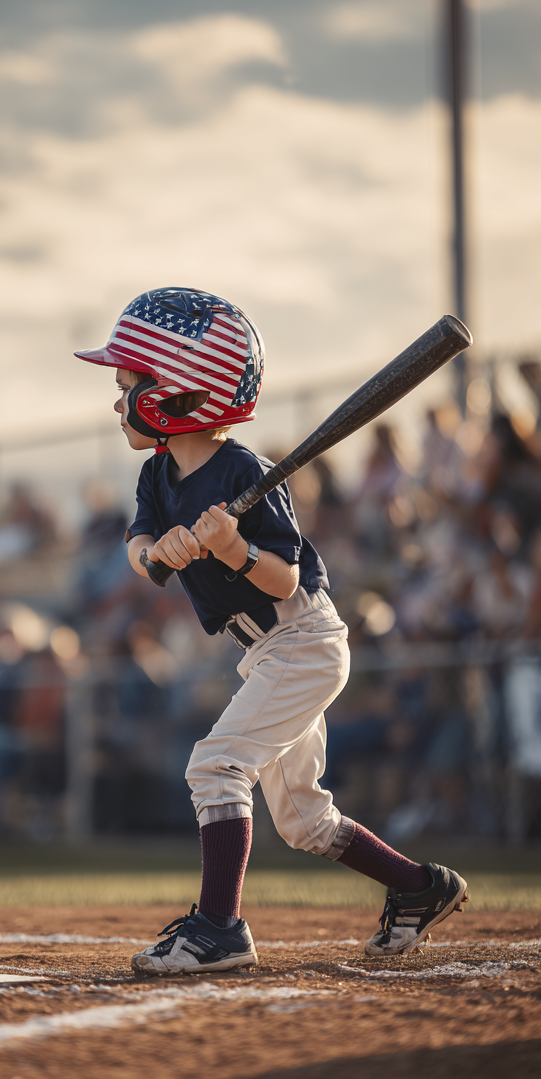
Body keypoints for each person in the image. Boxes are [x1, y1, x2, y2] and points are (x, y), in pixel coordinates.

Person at [75, 286, 468, 969]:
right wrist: (156, 552)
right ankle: (420, 888)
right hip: (266, 651)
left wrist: (234, 550)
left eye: (128, 383)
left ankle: (219, 929)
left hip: (305, 641)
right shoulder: (157, 476)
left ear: (181, 391)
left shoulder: (245, 473)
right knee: (303, 821)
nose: (117, 400)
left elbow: (285, 579)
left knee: (216, 765)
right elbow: (137, 550)